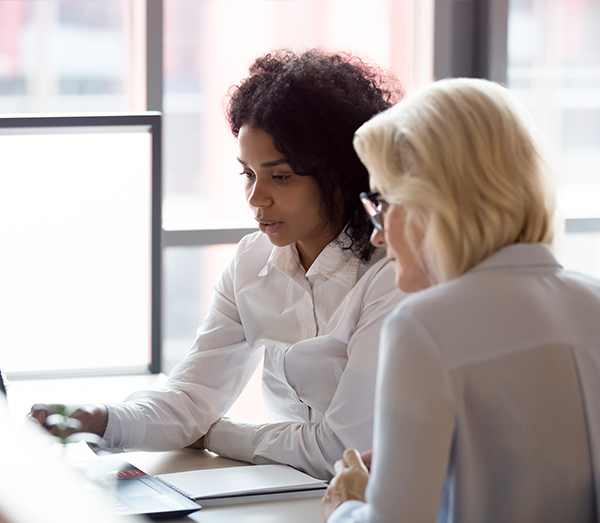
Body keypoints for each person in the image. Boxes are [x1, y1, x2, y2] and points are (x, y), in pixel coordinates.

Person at [30, 49, 405, 480]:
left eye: (279, 176)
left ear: (341, 174)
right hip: (285, 493)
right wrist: (97, 418)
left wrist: (216, 435)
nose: (255, 197)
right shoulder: (252, 261)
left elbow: (342, 449)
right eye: (248, 173)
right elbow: (192, 399)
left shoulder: (390, 273)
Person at [322, 77, 600, 521]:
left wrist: (351, 502)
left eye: (382, 204)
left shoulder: (423, 325)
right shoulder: (593, 302)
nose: (376, 234)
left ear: (433, 201)